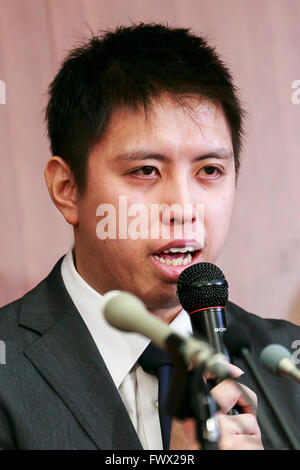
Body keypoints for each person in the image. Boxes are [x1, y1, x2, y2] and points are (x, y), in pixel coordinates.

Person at [0, 22, 299, 451]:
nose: (183, 209)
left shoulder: (285, 364)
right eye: (145, 171)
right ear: (67, 189)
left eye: (209, 171)